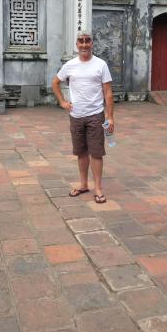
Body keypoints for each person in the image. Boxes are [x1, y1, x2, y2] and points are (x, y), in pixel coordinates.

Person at [52, 30, 114, 204]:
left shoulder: (100, 65)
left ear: (92, 43)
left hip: (95, 115)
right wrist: (62, 102)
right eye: (81, 41)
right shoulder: (70, 65)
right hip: (76, 115)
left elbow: (108, 92)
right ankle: (83, 184)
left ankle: (98, 188)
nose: (84, 44)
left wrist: (110, 116)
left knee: (96, 153)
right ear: (77, 44)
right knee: (80, 152)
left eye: (88, 41)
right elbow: (55, 82)